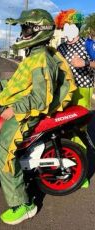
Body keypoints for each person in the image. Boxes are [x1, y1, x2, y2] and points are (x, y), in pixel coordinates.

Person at [0, 9, 76, 225]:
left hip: (27, 112)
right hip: (21, 107)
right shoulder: (34, 56)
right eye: (23, 28)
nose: (23, 32)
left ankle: (23, 205)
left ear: (39, 30)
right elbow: (20, 85)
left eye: (26, 28)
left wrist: (14, 109)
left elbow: (41, 99)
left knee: (3, 151)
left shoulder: (41, 59)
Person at [55, 9, 95, 188]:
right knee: (63, 130)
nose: (68, 28)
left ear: (77, 26)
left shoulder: (88, 44)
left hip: (83, 90)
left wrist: (85, 63)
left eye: (71, 25)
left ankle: (82, 172)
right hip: (65, 92)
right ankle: (66, 166)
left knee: (80, 131)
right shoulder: (61, 48)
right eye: (65, 26)